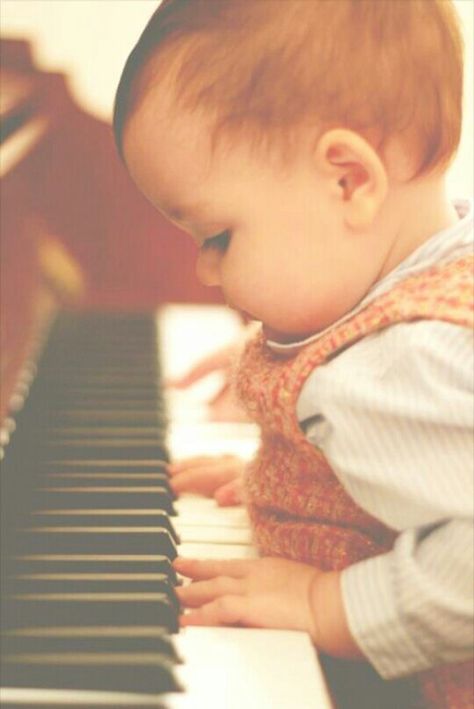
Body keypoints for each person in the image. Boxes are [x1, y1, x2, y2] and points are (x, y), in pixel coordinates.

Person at [113, 1, 473, 706]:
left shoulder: (389, 371)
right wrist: (311, 480)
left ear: (348, 181)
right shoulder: (436, 271)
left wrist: (322, 603)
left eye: (217, 236)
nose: (205, 272)